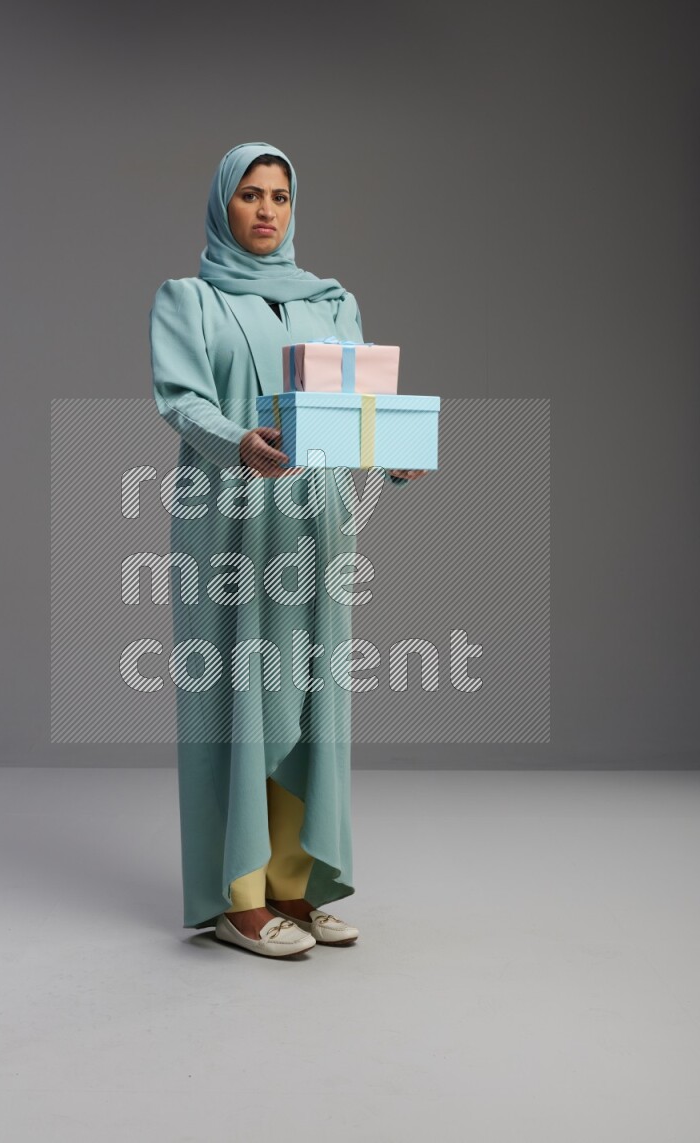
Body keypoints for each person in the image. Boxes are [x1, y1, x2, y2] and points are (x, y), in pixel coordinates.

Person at [149, 141, 427, 958]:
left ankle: (296, 885)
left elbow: (356, 409)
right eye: (249, 194)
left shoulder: (332, 301)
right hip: (231, 517)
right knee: (238, 696)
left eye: (279, 195)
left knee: (312, 700)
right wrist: (239, 441)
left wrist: (392, 454)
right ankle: (237, 899)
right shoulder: (190, 300)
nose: (266, 209)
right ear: (222, 205)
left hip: (317, 520)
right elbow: (181, 400)